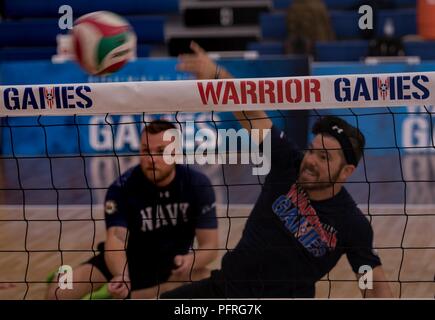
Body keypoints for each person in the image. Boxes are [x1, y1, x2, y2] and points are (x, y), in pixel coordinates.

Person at [160, 42, 393, 298]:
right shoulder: (288, 162)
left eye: (324, 157)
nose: (311, 160)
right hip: (226, 291)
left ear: (347, 172)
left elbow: (374, 285)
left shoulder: (353, 225)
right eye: (312, 150)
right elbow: (251, 113)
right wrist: (217, 75)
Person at [47, 120, 218, 299]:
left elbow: (210, 245)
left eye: (161, 152)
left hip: (170, 266)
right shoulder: (122, 188)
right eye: (145, 150)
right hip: (124, 263)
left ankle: (135, 294)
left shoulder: (197, 185)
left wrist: (191, 261)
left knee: (208, 282)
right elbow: (115, 240)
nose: (152, 159)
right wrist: (122, 276)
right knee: (58, 293)